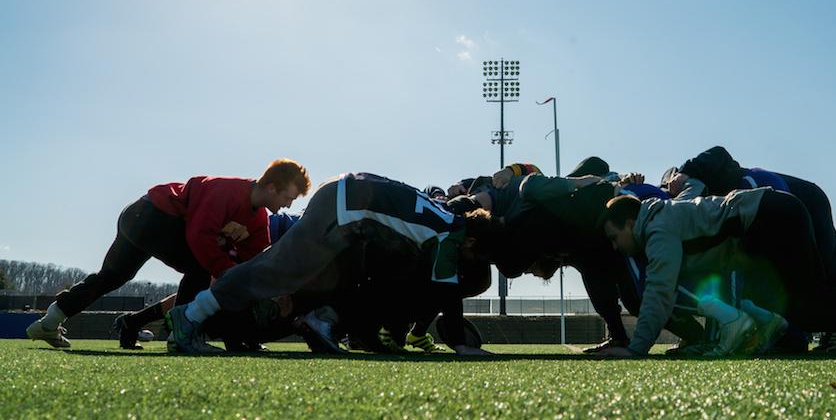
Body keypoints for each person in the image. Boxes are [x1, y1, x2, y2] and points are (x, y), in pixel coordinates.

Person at [166, 172, 495, 355]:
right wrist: (462, 345)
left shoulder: (446, 219)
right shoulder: (451, 236)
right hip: (344, 208)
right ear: (472, 242)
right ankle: (190, 316)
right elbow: (447, 293)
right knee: (273, 272)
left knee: (328, 272)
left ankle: (322, 319)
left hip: (347, 196)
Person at [595, 192, 836, 358]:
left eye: (614, 237)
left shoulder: (657, 228)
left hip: (771, 217)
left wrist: (637, 348)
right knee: (806, 306)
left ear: (630, 222)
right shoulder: (664, 221)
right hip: (774, 215)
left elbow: (660, 291)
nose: (615, 246)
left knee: (808, 307)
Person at [26, 159, 310, 349]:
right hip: (150, 214)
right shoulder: (227, 189)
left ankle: (49, 322)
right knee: (201, 266)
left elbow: (256, 261)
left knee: (111, 276)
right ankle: (181, 335)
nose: (288, 204)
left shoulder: (259, 220)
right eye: (289, 197)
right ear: (272, 187)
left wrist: (274, 290)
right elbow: (198, 236)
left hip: (142, 220)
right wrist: (225, 270)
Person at [664, 145, 836, 351]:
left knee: (831, 270)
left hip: (803, 200)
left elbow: (719, 152)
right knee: (808, 281)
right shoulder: (706, 206)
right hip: (791, 209)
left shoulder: (707, 180)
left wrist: (686, 171)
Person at [111, 211, 304, 350]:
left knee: (210, 291)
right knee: (219, 290)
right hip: (258, 239)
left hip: (263, 239)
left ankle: (135, 321)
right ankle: (215, 335)